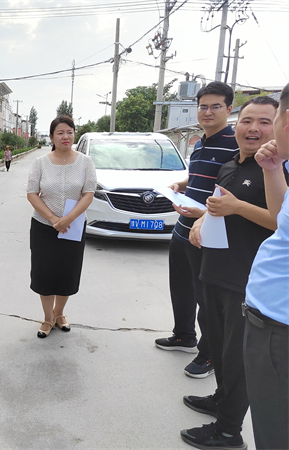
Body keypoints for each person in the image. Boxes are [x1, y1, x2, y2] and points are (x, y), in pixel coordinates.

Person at [182, 96, 287, 450]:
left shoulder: (276, 170)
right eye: (247, 121)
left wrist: (237, 207)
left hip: (245, 279)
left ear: (278, 126)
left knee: (237, 359)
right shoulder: (230, 165)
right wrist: (201, 221)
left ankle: (228, 431)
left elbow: (280, 222)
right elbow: (217, 208)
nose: (253, 128)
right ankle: (221, 400)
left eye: (264, 121)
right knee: (219, 348)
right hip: (214, 271)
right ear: (236, 125)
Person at [155, 81, 239, 379]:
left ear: (229, 109)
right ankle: (184, 336)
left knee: (208, 298)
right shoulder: (201, 142)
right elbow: (199, 176)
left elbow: (233, 194)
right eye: (203, 106)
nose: (208, 112)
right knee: (181, 287)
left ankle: (209, 354)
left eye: (216, 106)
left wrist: (204, 214)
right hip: (182, 228)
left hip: (209, 233)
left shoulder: (235, 144)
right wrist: (181, 184)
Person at [243, 83, 289, 450]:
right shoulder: (281, 164)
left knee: (275, 433)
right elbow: (281, 218)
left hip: (278, 332)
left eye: (268, 121)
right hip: (269, 322)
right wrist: (273, 170)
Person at [27, 115, 96, 338]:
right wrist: (53, 219)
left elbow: (88, 194)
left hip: (73, 227)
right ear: (51, 137)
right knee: (45, 273)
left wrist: (67, 219)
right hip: (43, 226)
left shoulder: (86, 162)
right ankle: (47, 318)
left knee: (67, 272)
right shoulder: (40, 162)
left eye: (69, 132)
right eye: (60, 133)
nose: (65, 136)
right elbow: (32, 193)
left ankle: (59, 313)